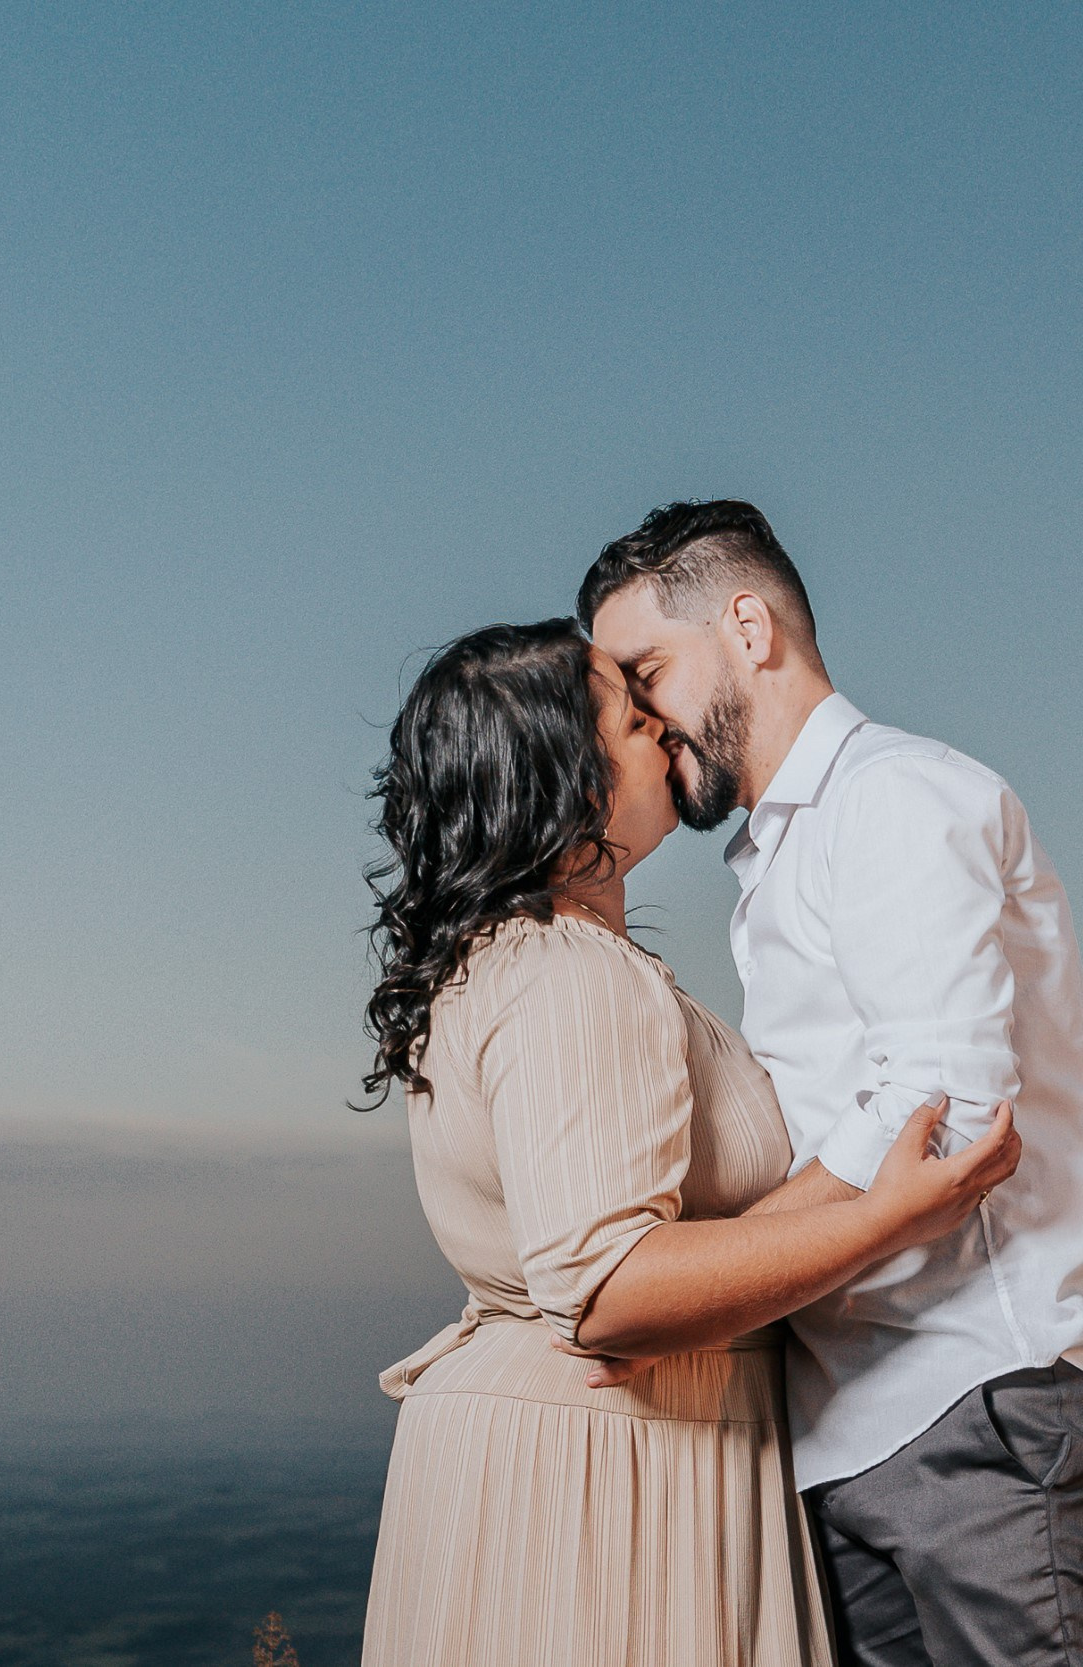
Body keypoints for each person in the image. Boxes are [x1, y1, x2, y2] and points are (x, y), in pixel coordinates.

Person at [355, 620, 1023, 1667]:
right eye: (631, 718)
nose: (665, 731)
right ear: (571, 785)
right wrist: (886, 1220)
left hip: (568, 1450)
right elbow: (611, 1286)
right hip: (612, 1471)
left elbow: (662, 1243)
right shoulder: (573, 981)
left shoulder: (510, 966)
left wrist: (865, 1187)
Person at [577, 501, 1083, 1667]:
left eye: (648, 671)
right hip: (847, 1427)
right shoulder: (778, 858)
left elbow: (942, 1117)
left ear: (749, 624)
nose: (637, 716)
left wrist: (700, 1290)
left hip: (979, 1392)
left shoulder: (893, 796)